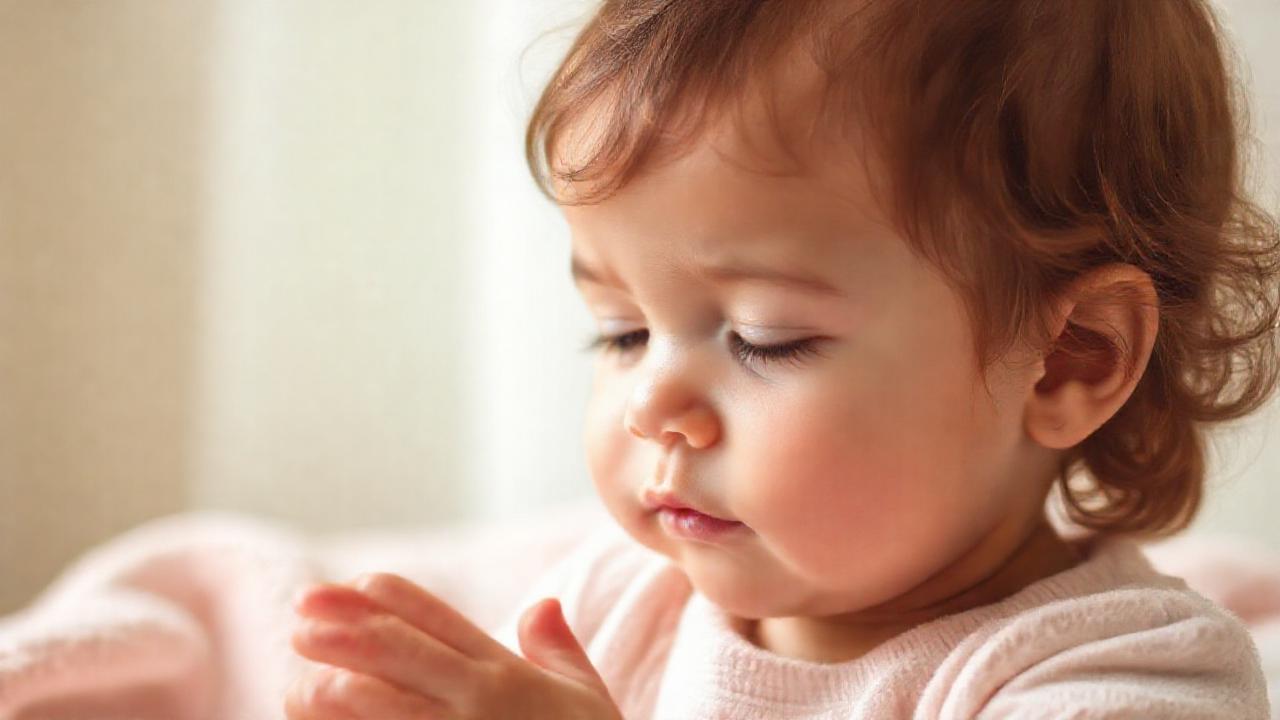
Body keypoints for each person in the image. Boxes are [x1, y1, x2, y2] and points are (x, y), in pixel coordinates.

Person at [284, 0, 1280, 717]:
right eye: (623, 331)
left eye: (763, 339)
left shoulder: (1120, 680)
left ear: (1068, 359)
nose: (650, 406)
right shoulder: (615, 606)